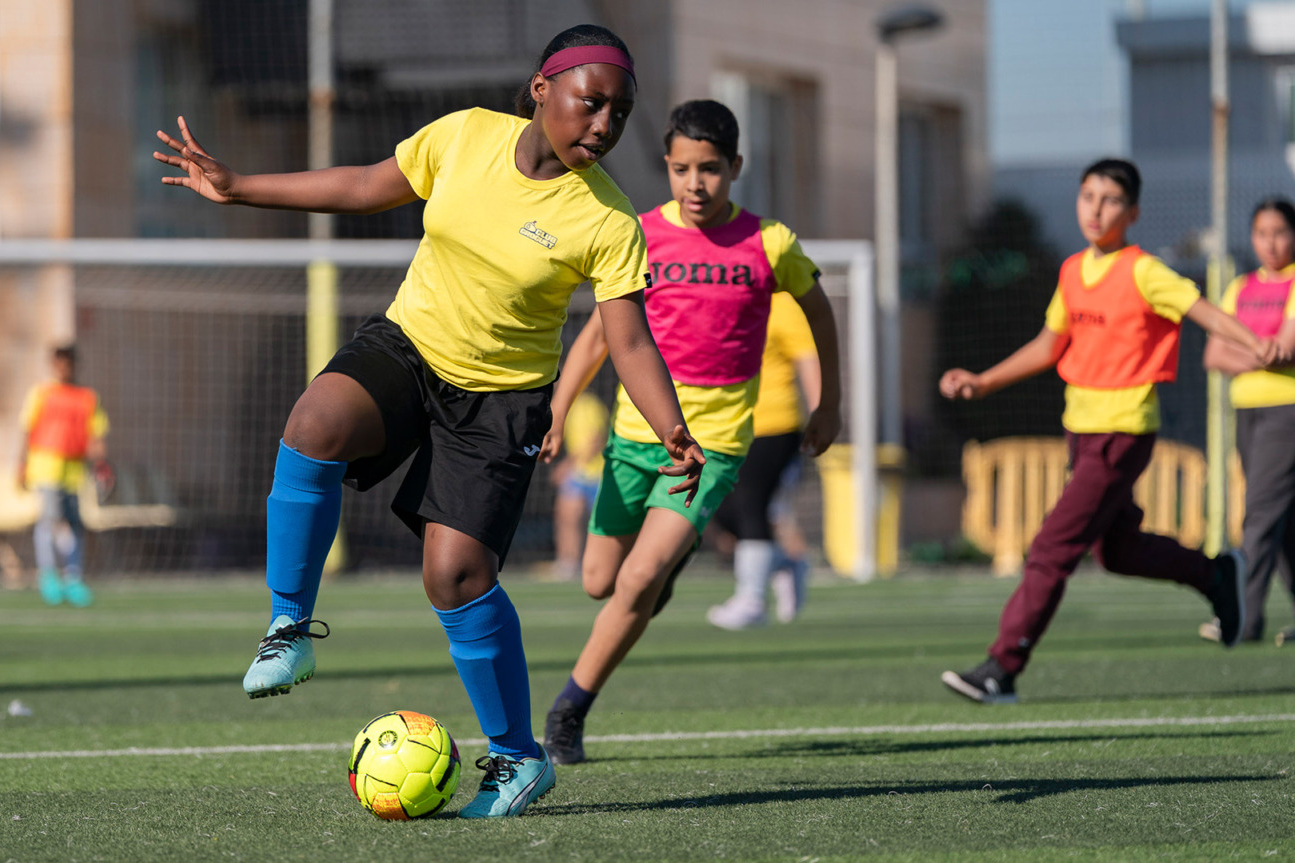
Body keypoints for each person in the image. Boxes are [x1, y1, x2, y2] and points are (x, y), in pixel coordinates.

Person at [153, 25, 703, 818]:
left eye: (620, 112)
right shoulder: (465, 135)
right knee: (314, 422)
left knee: (454, 576)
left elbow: (630, 340)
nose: (605, 124)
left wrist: (672, 424)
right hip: (410, 345)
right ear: (542, 89)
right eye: (591, 103)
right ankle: (289, 626)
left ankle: (518, 757)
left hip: (501, 400)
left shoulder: (610, 220)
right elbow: (361, 184)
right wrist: (240, 187)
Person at [536, 99, 842, 765]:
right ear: (667, 167)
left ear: (735, 167)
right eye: (681, 170)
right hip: (632, 439)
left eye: (709, 169)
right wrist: (558, 406)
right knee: (599, 581)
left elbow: (820, 315)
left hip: (716, 446)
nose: (695, 183)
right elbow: (600, 335)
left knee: (639, 578)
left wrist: (830, 404)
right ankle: (662, 570)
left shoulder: (771, 243)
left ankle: (568, 711)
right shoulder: (639, 232)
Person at [938, 158, 1276, 704]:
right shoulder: (1072, 271)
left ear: (1133, 212)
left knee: (1051, 547)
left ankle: (1002, 668)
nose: (1096, 209)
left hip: (1122, 432)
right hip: (1081, 431)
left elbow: (1203, 311)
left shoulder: (1143, 272)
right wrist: (983, 381)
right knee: (1117, 551)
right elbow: (1050, 345)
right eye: (1088, 196)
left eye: (1111, 200)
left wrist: (1254, 341)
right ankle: (1215, 576)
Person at [1199, 197, 1295, 646]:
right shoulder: (1240, 287)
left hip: (1287, 411)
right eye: (1261, 233)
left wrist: (1249, 351)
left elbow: (1286, 350)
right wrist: (1262, 352)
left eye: (1280, 232)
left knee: (1259, 513)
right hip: (1247, 412)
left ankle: (1244, 619)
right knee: (1285, 522)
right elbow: (1213, 354)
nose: (1270, 243)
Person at [706, 289, 821, 629]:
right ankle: (782, 562)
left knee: (751, 503)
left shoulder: (782, 305)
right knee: (717, 506)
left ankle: (751, 599)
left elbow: (807, 359)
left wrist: (820, 413)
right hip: (724, 426)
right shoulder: (720, 299)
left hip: (774, 425)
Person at [17, 344, 112, 608]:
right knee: (50, 519)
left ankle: (73, 577)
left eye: (67, 362)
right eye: (59, 362)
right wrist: (21, 464)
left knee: (74, 523)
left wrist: (102, 464)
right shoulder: (41, 393)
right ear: (53, 365)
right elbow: (27, 429)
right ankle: (48, 576)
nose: (63, 368)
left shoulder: (87, 397)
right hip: (45, 466)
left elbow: (96, 435)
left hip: (73, 470)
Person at [548, 391, 609, 581]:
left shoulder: (589, 404)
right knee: (566, 516)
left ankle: (601, 564)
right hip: (578, 474)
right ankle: (568, 563)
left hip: (596, 474)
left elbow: (596, 440)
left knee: (601, 526)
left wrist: (568, 464)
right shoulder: (563, 407)